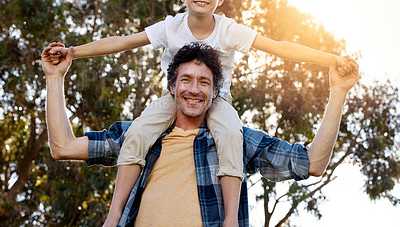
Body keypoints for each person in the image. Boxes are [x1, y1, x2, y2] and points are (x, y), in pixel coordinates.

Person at [46, 0, 354, 226]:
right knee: (139, 130)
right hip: (163, 110)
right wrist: (72, 55)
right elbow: (123, 42)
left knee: (230, 133)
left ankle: (230, 219)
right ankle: (112, 217)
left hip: (221, 109)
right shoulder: (170, 27)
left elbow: (280, 48)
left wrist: (331, 64)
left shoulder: (229, 31)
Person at [42, 42, 359, 227]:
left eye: (204, 82)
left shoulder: (233, 139)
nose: (194, 89)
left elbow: (312, 163)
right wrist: (55, 78)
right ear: (171, 87)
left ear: (216, 92)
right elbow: (63, 146)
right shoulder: (139, 135)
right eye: (186, 80)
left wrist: (338, 92)